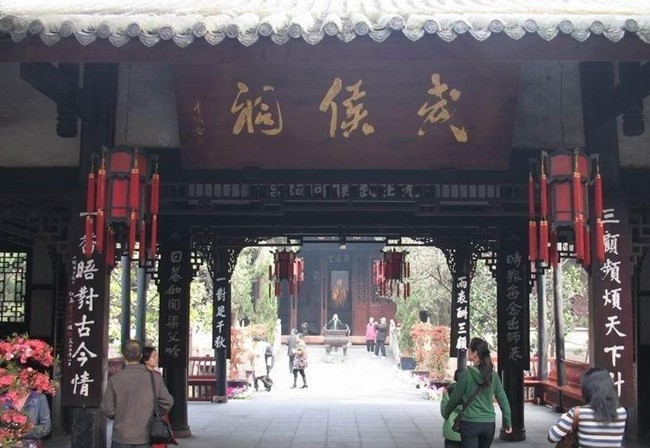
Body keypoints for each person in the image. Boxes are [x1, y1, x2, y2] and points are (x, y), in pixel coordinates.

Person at [102, 339, 174, 448]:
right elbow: (167, 402)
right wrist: (154, 412)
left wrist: (118, 415)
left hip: (121, 436)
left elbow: (107, 408)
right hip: (144, 436)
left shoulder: (115, 379)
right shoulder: (155, 378)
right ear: (141, 356)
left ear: (123, 355)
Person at [442, 338, 512, 448]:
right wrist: (508, 422)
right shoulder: (493, 375)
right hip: (489, 424)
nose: (468, 352)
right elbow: (503, 399)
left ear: (475, 353)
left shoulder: (466, 374)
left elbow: (455, 398)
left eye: (469, 350)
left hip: (470, 423)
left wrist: (446, 414)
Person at [548, 367, 627, 447]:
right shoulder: (622, 412)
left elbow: (552, 437)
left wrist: (563, 418)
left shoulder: (579, 413)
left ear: (586, 389)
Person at [141, 346, 177, 448]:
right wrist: (160, 411)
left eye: (157, 356)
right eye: (153, 356)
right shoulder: (155, 377)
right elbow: (167, 401)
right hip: (152, 414)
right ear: (145, 359)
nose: (157, 358)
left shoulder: (154, 375)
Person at [440, 370, 463, 448]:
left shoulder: (447, 391)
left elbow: (444, 412)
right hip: (466, 431)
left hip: (451, 430)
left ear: (455, 378)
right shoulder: (470, 392)